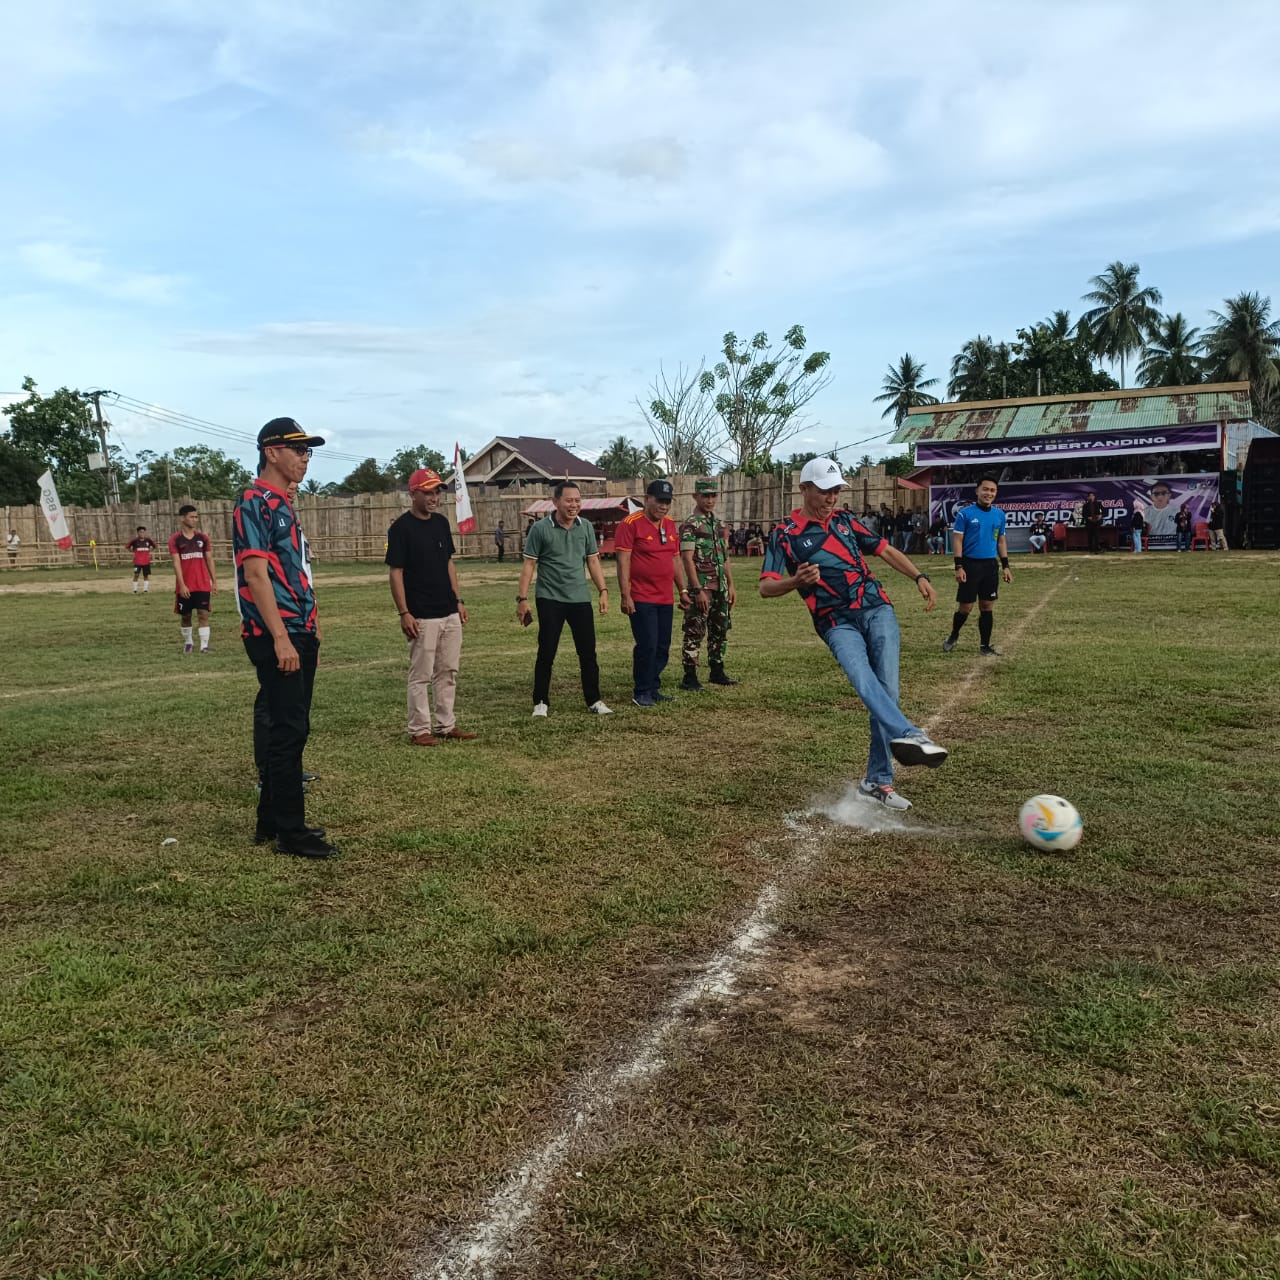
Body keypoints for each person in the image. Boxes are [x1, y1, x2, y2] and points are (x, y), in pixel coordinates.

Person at [760, 457, 946, 812]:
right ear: (804, 490)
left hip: (877, 608)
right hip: (835, 621)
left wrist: (919, 576)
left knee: (887, 690)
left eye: (835, 491)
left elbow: (885, 550)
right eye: (824, 491)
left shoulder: (846, 521)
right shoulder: (783, 534)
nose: (831, 498)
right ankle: (907, 734)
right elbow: (766, 587)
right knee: (863, 680)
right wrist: (795, 581)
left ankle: (877, 780)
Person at [233, 417, 334, 859]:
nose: (304, 459)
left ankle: (271, 821)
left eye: (308, 451)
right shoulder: (254, 502)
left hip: (297, 627)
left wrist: (308, 622)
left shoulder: (282, 503)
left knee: (285, 727)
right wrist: (280, 636)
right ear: (271, 452)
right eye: (297, 450)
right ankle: (291, 833)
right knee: (290, 730)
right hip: (278, 632)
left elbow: (292, 570)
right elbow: (255, 574)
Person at [388, 467, 478, 747]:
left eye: (437, 491)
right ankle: (419, 729)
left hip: (448, 610)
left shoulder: (440, 523)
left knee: (448, 671)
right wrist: (404, 612)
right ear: (413, 493)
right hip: (421, 614)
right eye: (428, 492)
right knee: (421, 674)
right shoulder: (401, 528)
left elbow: (448, 563)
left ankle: (446, 725)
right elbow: (396, 572)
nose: (434, 497)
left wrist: (458, 600)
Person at [516, 481, 612, 718]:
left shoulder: (586, 527)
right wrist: (522, 598)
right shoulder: (540, 529)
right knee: (546, 652)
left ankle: (594, 700)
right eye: (569, 500)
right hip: (550, 598)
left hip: (579, 598)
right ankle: (540, 702)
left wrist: (603, 590)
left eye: (577, 500)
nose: (574, 505)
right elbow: (529, 564)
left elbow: (592, 561)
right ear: (555, 501)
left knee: (588, 652)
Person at [616, 479, 692, 707]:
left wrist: (683, 589)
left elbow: (675, 558)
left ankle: (653, 686)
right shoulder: (631, 523)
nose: (664, 506)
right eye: (659, 501)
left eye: (667, 502)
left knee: (662, 645)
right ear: (647, 499)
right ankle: (641, 691)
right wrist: (625, 594)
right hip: (641, 596)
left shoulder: (669, 524)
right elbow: (623, 560)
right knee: (647, 644)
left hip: (665, 597)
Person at [679, 478, 738, 691]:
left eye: (713, 495)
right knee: (695, 630)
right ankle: (690, 675)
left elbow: (725, 557)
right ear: (696, 496)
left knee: (720, 629)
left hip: (720, 586)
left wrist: (730, 585)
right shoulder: (690, 524)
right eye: (705, 495)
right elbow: (687, 558)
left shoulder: (719, 524)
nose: (710, 500)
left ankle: (717, 669)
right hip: (703, 587)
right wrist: (697, 590)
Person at [943, 476, 1012, 656]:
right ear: (977, 491)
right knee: (966, 607)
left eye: (992, 490)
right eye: (985, 489)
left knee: (987, 606)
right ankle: (953, 635)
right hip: (970, 565)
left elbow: (1001, 541)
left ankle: (985, 646)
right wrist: (959, 566)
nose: (989, 493)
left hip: (990, 566)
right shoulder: (965, 514)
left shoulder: (999, 515)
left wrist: (1005, 565)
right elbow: (957, 540)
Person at [169, 504, 217, 654]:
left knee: (203, 614)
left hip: (202, 584)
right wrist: (182, 585)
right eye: (192, 517)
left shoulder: (203, 538)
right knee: (186, 616)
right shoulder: (175, 539)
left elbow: (209, 559)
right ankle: (189, 642)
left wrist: (214, 581)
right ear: (183, 518)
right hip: (185, 586)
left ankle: (204, 646)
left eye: (196, 517)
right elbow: (176, 562)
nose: (195, 520)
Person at [125, 525, 158, 595]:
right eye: (140, 532)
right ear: (138, 533)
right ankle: (134, 590)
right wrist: (132, 551)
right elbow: (127, 546)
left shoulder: (148, 540)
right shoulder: (134, 541)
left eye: (143, 532)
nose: (142, 534)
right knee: (136, 575)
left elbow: (155, 546)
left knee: (146, 575)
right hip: (137, 562)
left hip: (146, 562)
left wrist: (150, 551)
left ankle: (145, 590)